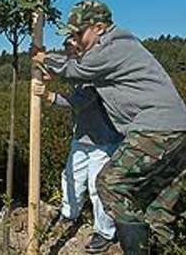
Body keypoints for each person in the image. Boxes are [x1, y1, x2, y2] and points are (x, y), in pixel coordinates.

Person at [32, 0, 186, 254]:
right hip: (180, 130)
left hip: (157, 128)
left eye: (79, 33)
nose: (76, 39)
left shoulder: (113, 46)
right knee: (156, 208)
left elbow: (79, 69)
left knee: (110, 183)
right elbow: (82, 72)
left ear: (100, 27)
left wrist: (42, 57)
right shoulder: (118, 47)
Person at [34, 38, 123, 253]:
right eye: (67, 53)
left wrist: (47, 96)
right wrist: (48, 72)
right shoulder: (79, 69)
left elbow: (78, 102)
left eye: (72, 52)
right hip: (82, 138)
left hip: (104, 141)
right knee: (71, 177)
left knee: (97, 186)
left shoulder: (94, 73)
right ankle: (69, 213)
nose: (69, 57)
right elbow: (69, 74)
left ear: (81, 51)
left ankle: (105, 232)